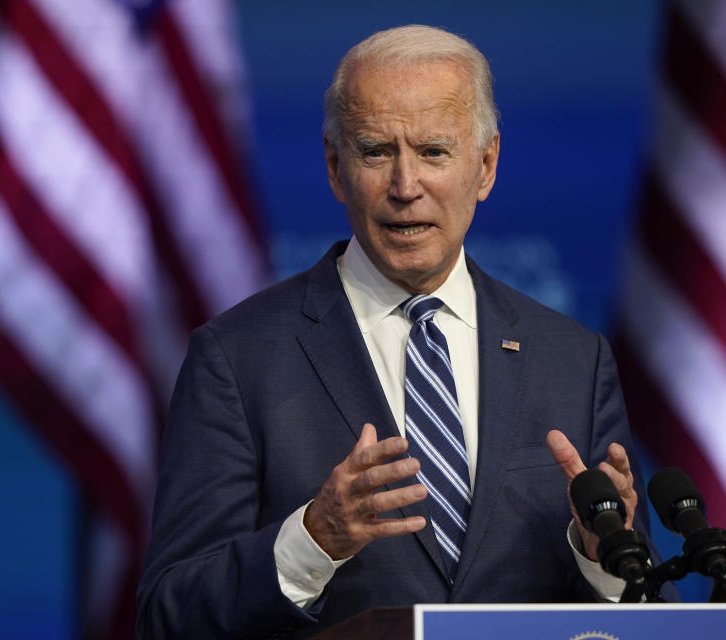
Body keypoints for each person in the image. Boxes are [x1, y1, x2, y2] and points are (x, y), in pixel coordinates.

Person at [137, 24, 670, 640]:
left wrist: (601, 560)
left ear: (486, 166)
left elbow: (643, 610)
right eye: (375, 152)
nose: (405, 187)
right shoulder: (237, 357)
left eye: (435, 152)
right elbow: (167, 618)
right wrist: (313, 540)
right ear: (337, 169)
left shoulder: (572, 360)